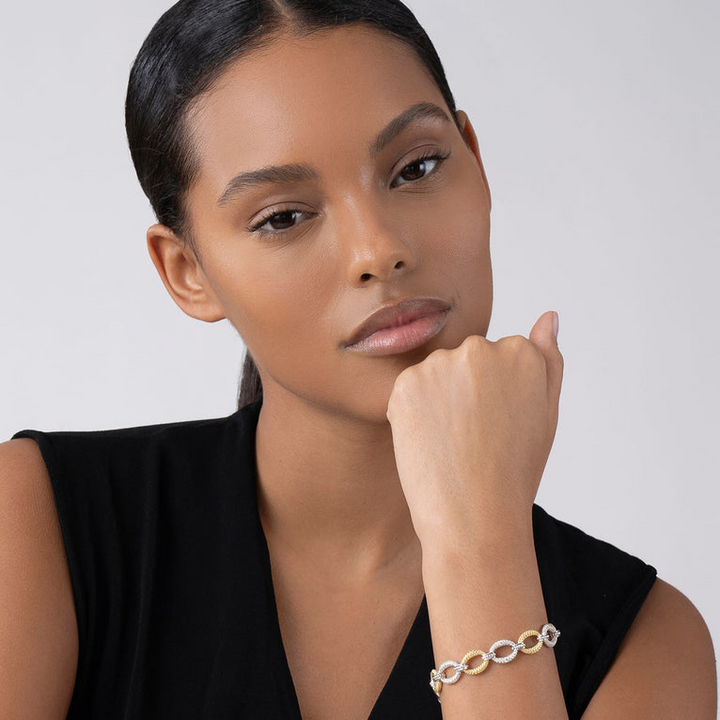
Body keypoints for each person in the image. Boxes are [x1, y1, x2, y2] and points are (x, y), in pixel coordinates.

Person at [0, 0, 716, 717]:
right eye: (283, 217)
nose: (379, 250)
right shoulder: (38, 525)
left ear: (477, 160)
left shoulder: (645, 642)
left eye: (417, 167)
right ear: (187, 269)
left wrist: (481, 549)